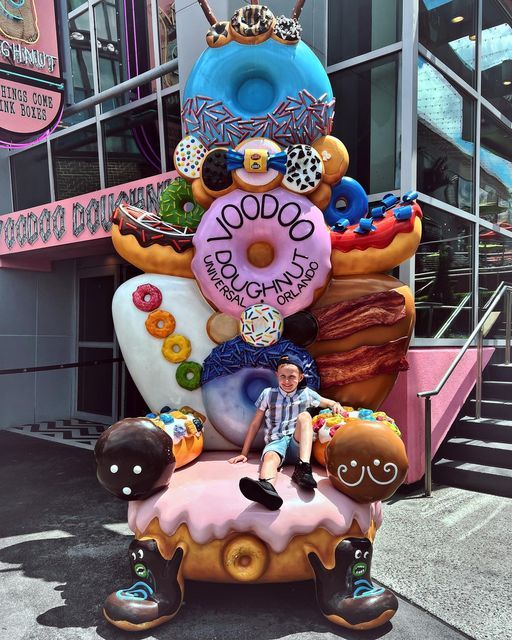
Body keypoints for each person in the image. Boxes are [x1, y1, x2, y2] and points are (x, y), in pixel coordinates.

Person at [228, 354, 343, 510]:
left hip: (297, 444)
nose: (287, 381)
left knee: (304, 416)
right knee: (269, 459)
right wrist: (244, 453)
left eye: (292, 377)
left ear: (301, 377)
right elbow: (255, 424)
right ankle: (267, 487)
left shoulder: (307, 394)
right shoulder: (268, 394)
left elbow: (327, 402)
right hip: (276, 442)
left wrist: (336, 404)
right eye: (283, 376)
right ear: (276, 376)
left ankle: (303, 469)